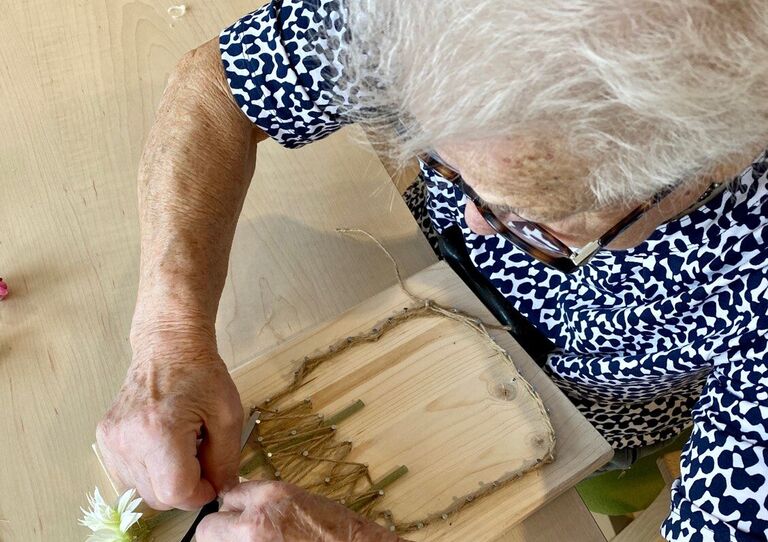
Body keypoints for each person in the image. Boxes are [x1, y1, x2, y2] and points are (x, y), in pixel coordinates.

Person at [96, 1, 768, 540]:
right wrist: (170, 339)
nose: (475, 224)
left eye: (536, 223)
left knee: (589, 482)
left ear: (707, 170)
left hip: (600, 407)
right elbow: (216, 84)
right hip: (428, 289)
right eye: (445, 161)